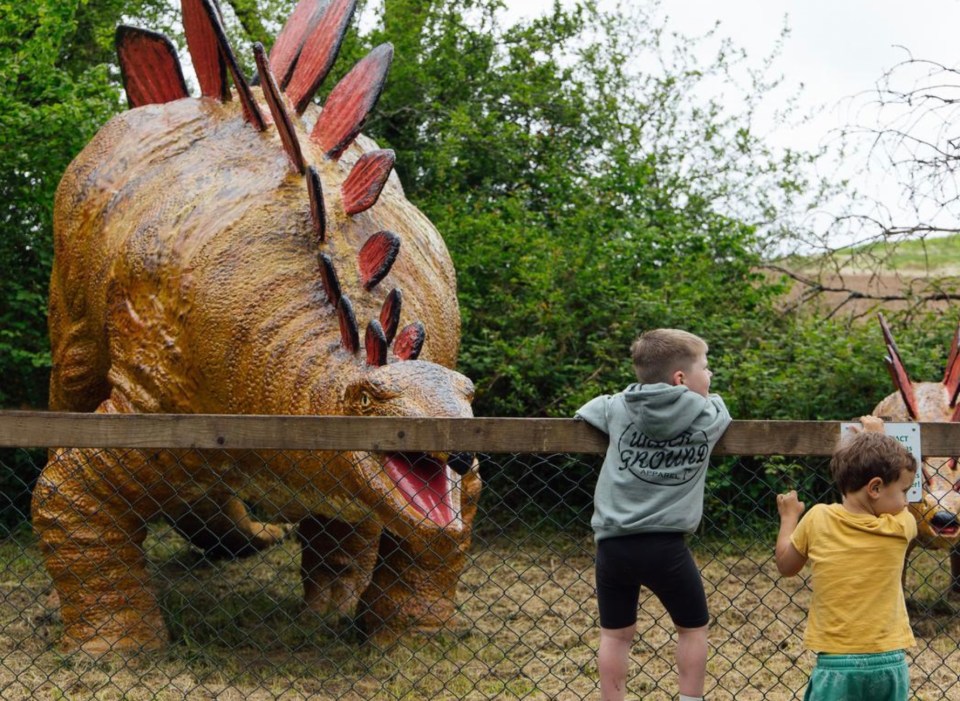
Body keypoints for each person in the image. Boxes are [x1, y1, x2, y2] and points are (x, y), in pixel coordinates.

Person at [575, 328, 732, 701]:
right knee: (692, 628)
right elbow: (721, 409)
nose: (709, 376)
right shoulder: (708, 416)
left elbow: (587, 411)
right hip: (666, 547)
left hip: (613, 545)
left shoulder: (618, 407)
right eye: (705, 368)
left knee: (615, 635)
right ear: (681, 378)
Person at [775, 415, 918, 701]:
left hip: (837, 662)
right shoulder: (900, 527)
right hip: (888, 660)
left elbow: (786, 565)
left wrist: (789, 517)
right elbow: (902, 508)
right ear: (875, 488)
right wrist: (879, 436)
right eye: (904, 490)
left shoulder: (818, 518)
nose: (905, 500)